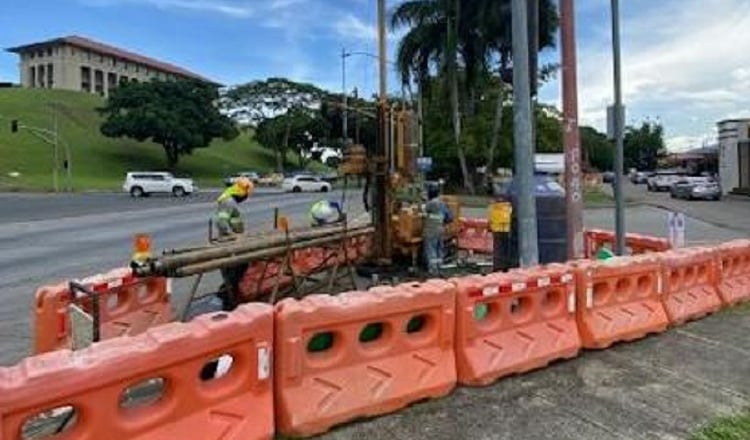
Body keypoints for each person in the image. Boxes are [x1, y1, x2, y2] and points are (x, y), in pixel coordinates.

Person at [213, 176, 254, 311]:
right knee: (236, 268)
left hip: (233, 241)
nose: (246, 198)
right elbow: (221, 222)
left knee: (236, 269)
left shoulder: (230, 201)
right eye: (246, 195)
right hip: (228, 243)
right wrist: (231, 236)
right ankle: (226, 298)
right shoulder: (228, 202)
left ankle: (228, 295)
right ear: (242, 192)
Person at [423, 184, 453, 274]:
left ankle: (433, 269)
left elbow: (423, 212)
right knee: (439, 249)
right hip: (440, 230)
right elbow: (450, 217)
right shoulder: (442, 203)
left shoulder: (430, 204)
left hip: (431, 230)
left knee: (431, 249)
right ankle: (440, 267)